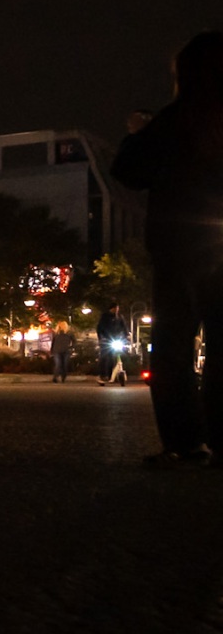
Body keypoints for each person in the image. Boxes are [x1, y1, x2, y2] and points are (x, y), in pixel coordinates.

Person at [112, 31, 223, 467]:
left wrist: (137, 133)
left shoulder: (175, 120)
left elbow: (128, 170)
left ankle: (185, 442)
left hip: (179, 248)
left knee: (173, 345)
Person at [94, 303, 129, 386]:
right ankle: (103, 375)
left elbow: (124, 327)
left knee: (114, 358)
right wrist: (101, 338)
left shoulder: (120, 317)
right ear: (111, 309)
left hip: (117, 339)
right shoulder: (105, 317)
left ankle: (111, 374)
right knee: (104, 357)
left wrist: (127, 335)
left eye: (117, 308)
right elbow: (100, 328)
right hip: (106, 340)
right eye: (115, 308)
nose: (116, 310)